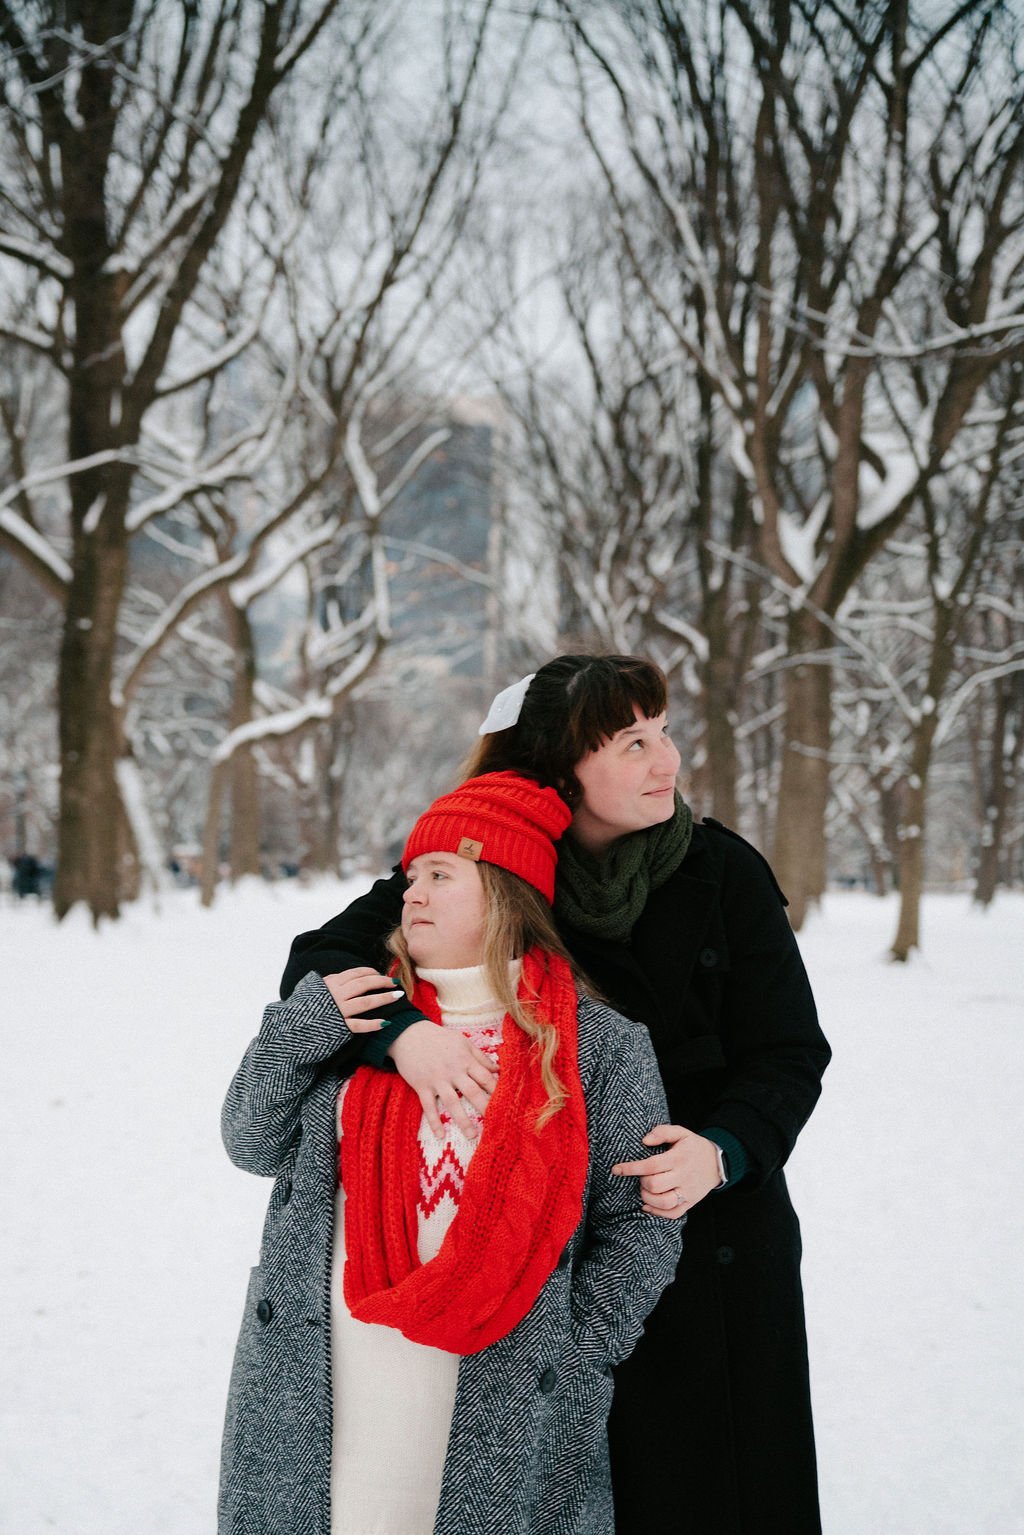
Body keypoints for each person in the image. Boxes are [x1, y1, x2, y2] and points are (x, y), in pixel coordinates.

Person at [281, 654, 832, 1535]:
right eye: (632, 741)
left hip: (710, 1234)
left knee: (717, 1492)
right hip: (554, 1253)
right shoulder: (494, 862)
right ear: (559, 767)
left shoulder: (721, 871)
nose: (667, 760)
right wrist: (402, 1035)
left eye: (664, 731)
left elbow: (789, 1051)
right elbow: (319, 959)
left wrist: (721, 1147)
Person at [220, 770, 681, 1535]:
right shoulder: (353, 1007)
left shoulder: (600, 1047)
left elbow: (640, 1220)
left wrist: (574, 1352)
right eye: (411, 875)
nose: (412, 893)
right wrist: (307, 1022)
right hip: (324, 1387)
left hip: (504, 1397)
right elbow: (249, 1139)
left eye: (440, 874)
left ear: (506, 892)